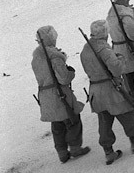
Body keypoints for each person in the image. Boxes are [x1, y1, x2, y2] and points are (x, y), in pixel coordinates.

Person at [80, 20, 134, 165]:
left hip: (95, 90)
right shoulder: (104, 50)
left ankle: (109, 152)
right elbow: (117, 69)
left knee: (104, 122)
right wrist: (120, 58)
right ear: (104, 33)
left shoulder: (85, 49)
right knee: (127, 114)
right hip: (111, 89)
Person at [31, 26, 90, 164]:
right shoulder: (54, 56)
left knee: (57, 124)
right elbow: (63, 78)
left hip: (45, 94)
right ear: (50, 38)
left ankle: (62, 152)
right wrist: (71, 72)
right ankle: (75, 148)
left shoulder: (36, 57)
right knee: (72, 119)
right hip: (59, 93)